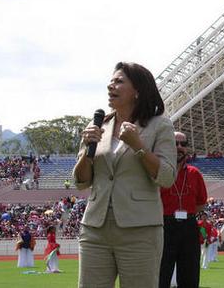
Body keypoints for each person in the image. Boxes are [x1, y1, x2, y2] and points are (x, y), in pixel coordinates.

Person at [73, 61, 178, 288]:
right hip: (94, 228)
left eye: (119, 81)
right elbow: (81, 181)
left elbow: (167, 177)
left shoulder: (160, 126)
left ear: (137, 91)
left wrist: (138, 146)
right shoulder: (98, 125)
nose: (111, 86)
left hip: (140, 230)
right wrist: (86, 152)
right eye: (111, 81)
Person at [159, 131, 208, 288]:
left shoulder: (195, 174)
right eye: (175, 143)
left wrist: (185, 213)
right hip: (164, 226)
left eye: (183, 144)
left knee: (190, 277)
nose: (179, 147)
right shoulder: (158, 170)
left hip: (189, 226)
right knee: (160, 276)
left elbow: (201, 203)